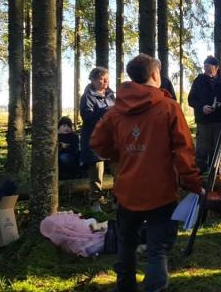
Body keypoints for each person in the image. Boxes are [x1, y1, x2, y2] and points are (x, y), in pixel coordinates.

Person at [91, 54, 203, 292]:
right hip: (160, 192)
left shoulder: (117, 109)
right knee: (157, 249)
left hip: (127, 191)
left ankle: (124, 287)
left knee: (126, 243)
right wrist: (194, 184)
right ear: (155, 75)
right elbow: (184, 151)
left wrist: (121, 154)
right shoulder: (168, 108)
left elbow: (98, 142)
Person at [79, 66, 115, 212]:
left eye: (107, 78)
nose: (105, 81)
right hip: (95, 141)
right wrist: (105, 111)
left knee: (118, 171)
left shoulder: (112, 95)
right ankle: (96, 203)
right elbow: (87, 118)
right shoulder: (87, 97)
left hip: (112, 140)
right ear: (93, 80)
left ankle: (116, 201)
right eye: (101, 78)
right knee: (96, 174)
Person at [187, 56, 221, 173]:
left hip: (220, 123)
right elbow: (191, 99)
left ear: (217, 67)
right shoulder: (198, 81)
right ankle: (200, 177)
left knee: (219, 151)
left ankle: (219, 176)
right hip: (204, 122)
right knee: (202, 151)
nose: (206, 69)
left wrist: (219, 107)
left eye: (208, 66)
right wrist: (202, 107)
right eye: (205, 66)